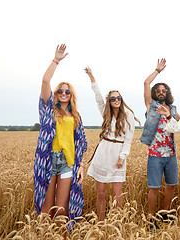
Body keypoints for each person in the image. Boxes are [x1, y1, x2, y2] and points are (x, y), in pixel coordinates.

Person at [33, 44, 88, 229]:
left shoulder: (76, 116)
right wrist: (56, 60)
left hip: (67, 161)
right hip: (48, 160)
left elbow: (81, 142)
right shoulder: (48, 110)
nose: (63, 93)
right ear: (55, 94)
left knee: (62, 208)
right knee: (47, 207)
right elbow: (45, 81)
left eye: (67, 91)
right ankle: (43, 235)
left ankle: (62, 235)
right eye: (60, 91)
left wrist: (80, 165)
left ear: (71, 95)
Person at [84, 67, 139, 221]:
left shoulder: (129, 115)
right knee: (101, 193)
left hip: (117, 154)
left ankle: (116, 223)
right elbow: (98, 97)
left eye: (118, 98)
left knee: (117, 195)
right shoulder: (105, 112)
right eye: (113, 98)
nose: (116, 100)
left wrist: (122, 157)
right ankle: (101, 223)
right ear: (109, 101)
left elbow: (128, 139)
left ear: (121, 99)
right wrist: (92, 77)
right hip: (103, 152)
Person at [139, 59, 180, 230]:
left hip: (170, 154)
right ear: (155, 93)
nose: (161, 92)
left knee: (171, 185)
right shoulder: (151, 106)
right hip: (155, 154)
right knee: (154, 187)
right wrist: (158, 70)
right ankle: (150, 218)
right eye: (158, 90)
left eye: (164, 90)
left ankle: (165, 214)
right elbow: (146, 82)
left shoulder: (173, 109)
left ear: (167, 93)